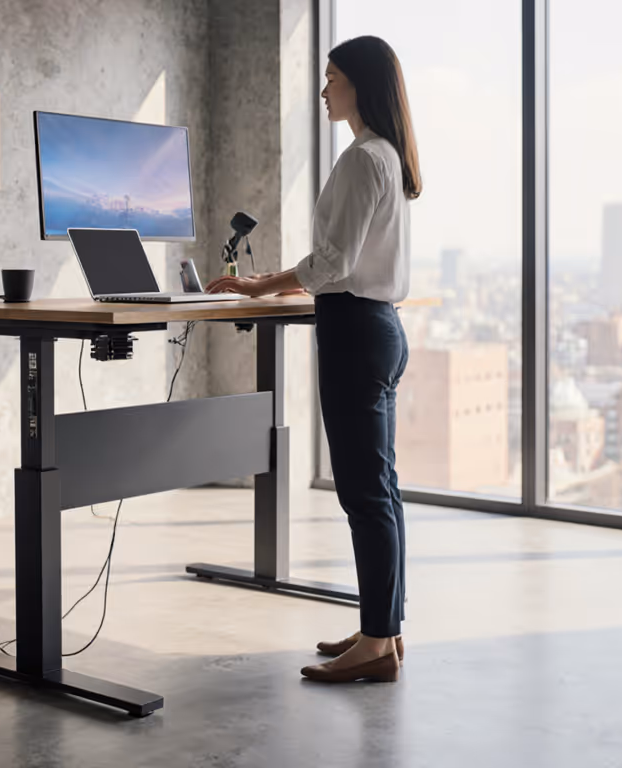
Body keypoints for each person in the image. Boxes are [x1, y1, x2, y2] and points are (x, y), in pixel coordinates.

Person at [207, 35, 421, 683]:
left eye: (332, 78)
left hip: (356, 330)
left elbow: (334, 265)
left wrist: (256, 284)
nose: (324, 88)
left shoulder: (362, 160)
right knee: (378, 489)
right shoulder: (386, 157)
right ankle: (381, 631)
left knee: (364, 493)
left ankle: (378, 642)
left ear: (359, 84)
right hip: (376, 328)